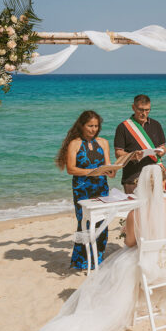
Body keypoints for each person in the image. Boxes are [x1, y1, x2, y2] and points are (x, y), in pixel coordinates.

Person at [21, 165, 166, 331]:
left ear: (141, 185)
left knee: (117, 265)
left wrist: (128, 232)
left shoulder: (135, 214)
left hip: (151, 270)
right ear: (163, 182)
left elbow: (129, 244)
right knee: (122, 263)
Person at [56, 110, 116, 270]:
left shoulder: (103, 142)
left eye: (96, 126)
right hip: (82, 189)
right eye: (90, 126)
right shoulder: (74, 143)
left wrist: (113, 170)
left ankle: (98, 258)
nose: (93, 129)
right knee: (85, 223)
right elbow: (71, 169)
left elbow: (109, 169)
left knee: (102, 223)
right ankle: (80, 261)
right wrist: (92, 172)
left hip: (102, 188)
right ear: (82, 126)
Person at [114, 94, 166, 194]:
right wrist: (133, 156)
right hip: (132, 177)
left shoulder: (156, 125)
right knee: (135, 209)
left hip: (154, 175)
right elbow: (118, 153)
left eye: (147, 110)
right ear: (133, 108)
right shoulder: (123, 127)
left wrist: (161, 152)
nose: (144, 113)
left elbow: (163, 147)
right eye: (140, 110)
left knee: (156, 208)